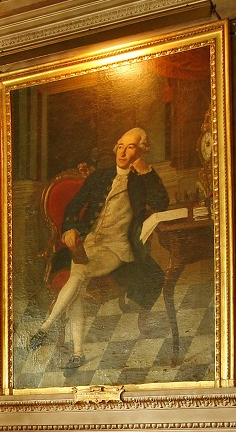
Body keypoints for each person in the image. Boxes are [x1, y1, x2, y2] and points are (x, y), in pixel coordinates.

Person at [29, 126, 169, 369]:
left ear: (141, 151)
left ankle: (47, 326)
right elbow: (73, 207)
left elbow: (161, 204)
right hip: (88, 241)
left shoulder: (142, 180)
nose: (123, 152)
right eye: (121, 145)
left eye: (131, 147)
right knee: (78, 282)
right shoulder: (100, 177)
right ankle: (78, 353)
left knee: (78, 274)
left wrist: (145, 170)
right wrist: (70, 229)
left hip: (117, 248)